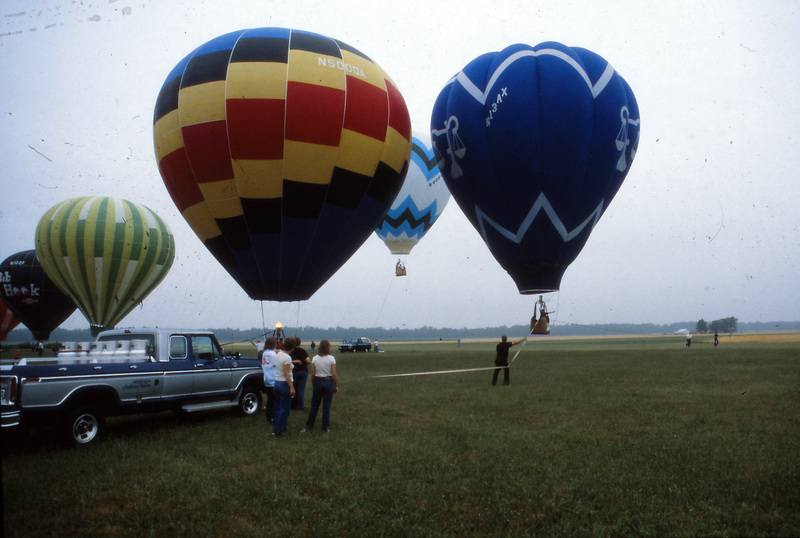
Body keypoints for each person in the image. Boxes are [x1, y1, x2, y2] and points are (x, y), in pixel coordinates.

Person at [302, 339, 338, 434]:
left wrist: (313, 384)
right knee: (326, 407)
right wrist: (336, 386)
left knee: (314, 406)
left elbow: (313, 374)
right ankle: (325, 428)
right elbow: (334, 374)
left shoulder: (315, 359)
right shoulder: (331, 359)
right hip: (328, 382)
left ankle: (308, 427)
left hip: (318, 381)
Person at [272, 338, 295, 437]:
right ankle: (281, 431)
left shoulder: (279, 354)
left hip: (276, 383)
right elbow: (286, 374)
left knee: (278, 408)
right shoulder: (287, 358)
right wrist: (292, 388)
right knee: (284, 409)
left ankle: (275, 429)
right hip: (284, 384)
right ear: (293, 347)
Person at [290, 337, 311, 411]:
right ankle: (300, 406)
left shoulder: (290, 351)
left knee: (293, 388)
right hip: (303, 371)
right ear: (300, 343)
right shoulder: (302, 351)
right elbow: (308, 361)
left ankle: (293, 405)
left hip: (294, 372)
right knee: (301, 390)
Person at [261, 337, 278, 427]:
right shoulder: (272, 354)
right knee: (275, 400)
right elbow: (277, 364)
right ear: (273, 344)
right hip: (273, 379)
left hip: (266, 379)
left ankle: (268, 417)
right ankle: (273, 417)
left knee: (270, 400)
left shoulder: (265, 353)